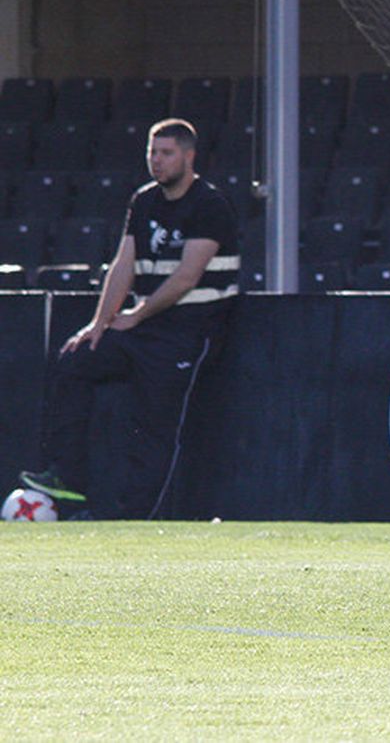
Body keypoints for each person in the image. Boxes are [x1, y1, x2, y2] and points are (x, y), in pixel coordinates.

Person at [21, 118, 238, 520]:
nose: (156, 161)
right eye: (152, 152)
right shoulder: (143, 200)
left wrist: (136, 315)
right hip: (145, 328)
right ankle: (67, 480)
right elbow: (124, 264)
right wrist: (100, 322)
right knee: (77, 357)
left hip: (189, 332)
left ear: (189, 157)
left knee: (155, 426)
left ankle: (134, 518)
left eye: (166, 153)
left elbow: (187, 277)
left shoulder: (210, 204)